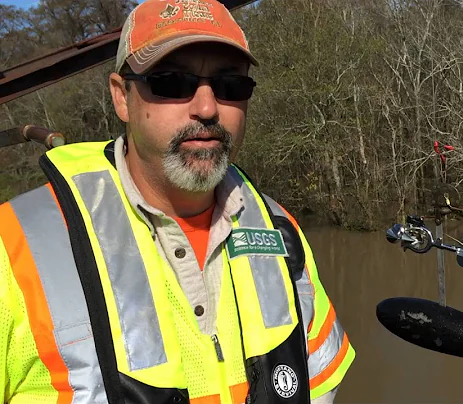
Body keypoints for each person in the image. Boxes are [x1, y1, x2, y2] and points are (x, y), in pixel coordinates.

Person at [0, 0, 355, 403]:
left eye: (230, 86)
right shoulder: (13, 249)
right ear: (121, 97)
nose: (206, 108)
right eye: (171, 82)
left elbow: (323, 386)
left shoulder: (279, 229)